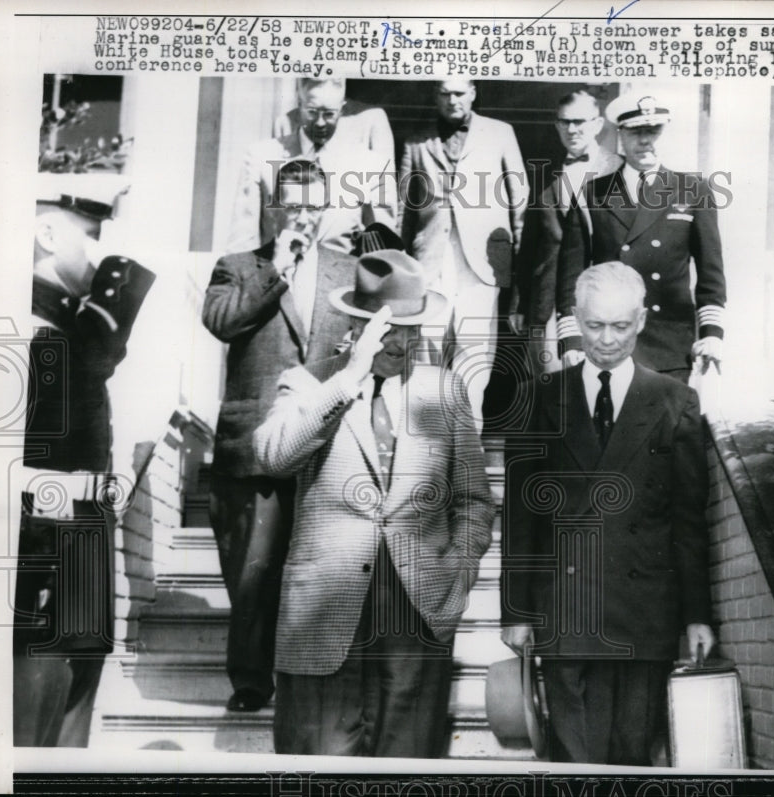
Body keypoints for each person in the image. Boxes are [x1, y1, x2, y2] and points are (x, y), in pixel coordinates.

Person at [253, 250, 495, 757]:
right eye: (387, 329)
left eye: (412, 328)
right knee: (315, 764)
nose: (401, 342)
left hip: (417, 608)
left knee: (407, 767)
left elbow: (474, 499)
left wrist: (459, 570)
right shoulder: (308, 382)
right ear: (357, 324)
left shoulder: (446, 392)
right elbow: (273, 456)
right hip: (324, 610)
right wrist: (348, 380)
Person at [500, 261, 714, 765]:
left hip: (645, 616)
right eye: (595, 325)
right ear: (575, 318)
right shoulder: (537, 400)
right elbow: (520, 518)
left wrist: (697, 616)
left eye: (621, 326)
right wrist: (516, 612)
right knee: (575, 762)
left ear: (641, 321)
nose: (608, 340)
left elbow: (688, 521)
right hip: (566, 612)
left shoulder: (675, 401)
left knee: (632, 756)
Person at [203, 159, 393, 712]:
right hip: (256, 441)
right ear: (274, 206)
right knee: (254, 569)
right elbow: (223, 323)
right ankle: (251, 682)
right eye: (292, 204)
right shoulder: (238, 267)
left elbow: (375, 347)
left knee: (321, 568)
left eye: (313, 204)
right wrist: (276, 269)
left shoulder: (352, 270)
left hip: (327, 441)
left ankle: (309, 678)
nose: (303, 215)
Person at [16, 177, 155, 746]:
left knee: (72, 709)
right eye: (92, 235)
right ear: (46, 232)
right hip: (38, 554)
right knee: (30, 721)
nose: (102, 254)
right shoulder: (24, 330)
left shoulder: (72, 330)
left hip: (77, 551)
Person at [555, 91, 726, 383]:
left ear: (664, 133)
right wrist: (571, 339)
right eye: (636, 132)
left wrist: (712, 335)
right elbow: (571, 274)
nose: (645, 140)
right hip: (607, 339)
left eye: (653, 131)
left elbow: (711, 275)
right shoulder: (591, 194)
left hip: (670, 345)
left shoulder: (693, 191)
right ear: (621, 135)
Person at [399, 79, 527, 429]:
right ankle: (423, 447)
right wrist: (403, 263)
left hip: (483, 261)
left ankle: (467, 450)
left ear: (473, 92)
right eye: (444, 93)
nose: (452, 100)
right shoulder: (416, 140)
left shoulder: (500, 133)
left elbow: (520, 200)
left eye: (459, 92)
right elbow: (404, 209)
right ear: (435, 95)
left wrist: (517, 261)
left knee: (475, 355)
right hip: (430, 260)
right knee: (426, 349)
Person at [509, 90, 622, 375]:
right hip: (547, 302)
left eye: (580, 121)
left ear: (597, 124)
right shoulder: (543, 174)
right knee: (551, 390)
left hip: (604, 301)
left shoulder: (621, 170)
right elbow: (530, 244)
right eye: (565, 122)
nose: (572, 129)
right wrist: (520, 304)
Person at [227, 78, 395, 254]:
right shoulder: (260, 158)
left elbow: (383, 252)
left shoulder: (371, 165)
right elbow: (241, 244)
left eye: (329, 114)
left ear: (342, 109)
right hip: (274, 278)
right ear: (299, 105)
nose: (320, 123)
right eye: (312, 112)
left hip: (341, 278)